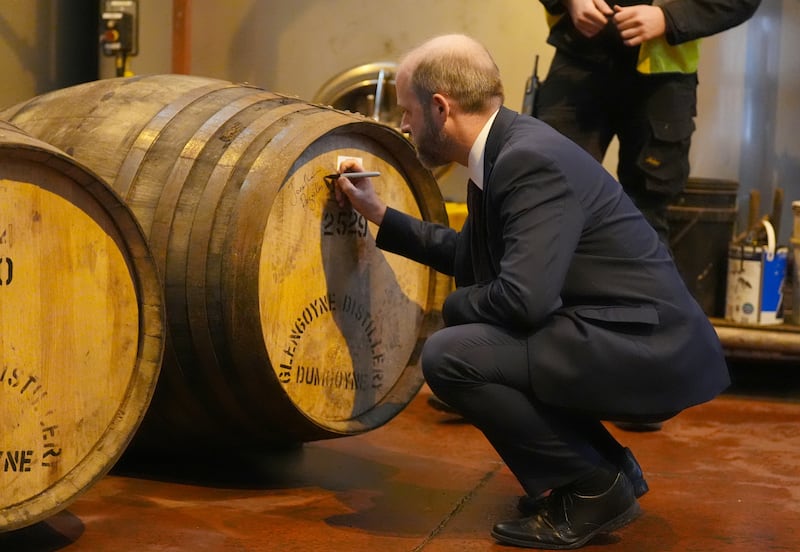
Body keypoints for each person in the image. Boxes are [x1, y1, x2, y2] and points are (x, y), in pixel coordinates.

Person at [333, 34, 729, 550]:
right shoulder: (502, 149)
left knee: (453, 355)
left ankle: (591, 488)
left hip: (647, 347)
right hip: (615, 329)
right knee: (476, 339)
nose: (403, 126)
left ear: (440, 108)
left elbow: (525, 301)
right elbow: (471, 255)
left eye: (406, 112)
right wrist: (380, 213)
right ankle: (608, 470)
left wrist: (454, 308)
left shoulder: (525, 160)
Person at [534, 0, 761, 244]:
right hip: (578, 60)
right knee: (548, 204)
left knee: (645, 223)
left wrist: (668, 18)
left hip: (663, 79)